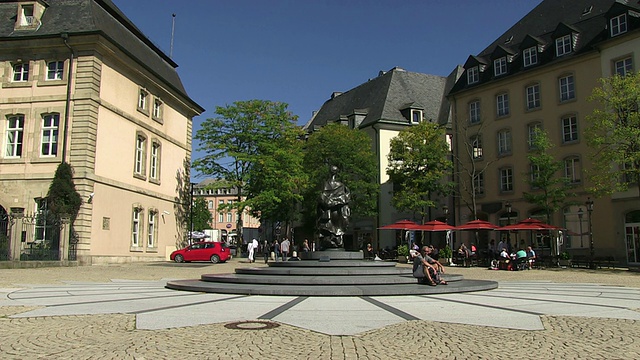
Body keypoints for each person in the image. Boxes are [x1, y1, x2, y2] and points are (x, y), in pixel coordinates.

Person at [317, 165, 351, 249]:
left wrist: (330, 201)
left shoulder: (340, 185)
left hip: (335, 211)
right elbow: (321, 197)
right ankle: (332, 240)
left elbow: (344, 197)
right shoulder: (330, 184)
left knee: (335, 228)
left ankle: (335, 240)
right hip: (329, 211)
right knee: (329, 228)